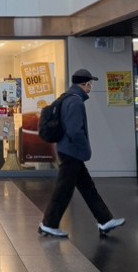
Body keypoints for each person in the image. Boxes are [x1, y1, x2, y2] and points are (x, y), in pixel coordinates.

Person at [39, 69, 126, 238]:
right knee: (64, 190)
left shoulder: (69, 98)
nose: (91, 87)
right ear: (85, 84)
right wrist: (84, 147)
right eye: (90, 84)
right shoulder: (75, 101)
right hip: (71, 151)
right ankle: (49, 224)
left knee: (87, 188)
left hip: (69, 150)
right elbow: (74, 130)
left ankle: (105, 220)